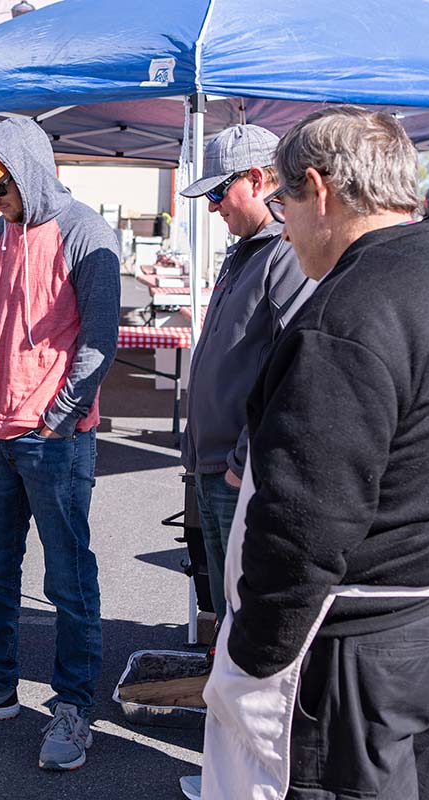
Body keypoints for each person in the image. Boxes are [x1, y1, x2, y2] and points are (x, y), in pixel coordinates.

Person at [202, 106, 429, 800]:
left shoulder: (344, 317)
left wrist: (249, 659)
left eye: (283, 202)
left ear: (318, 190)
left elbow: (303, 524)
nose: (283, 226)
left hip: (352, 651)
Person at [0, 118, 120, 772]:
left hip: (53, 440)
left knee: (68, 580)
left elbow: (99, 340)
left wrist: (59, 417)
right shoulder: (4, 231)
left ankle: (73, 704)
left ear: (28, 171)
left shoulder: (84, 231)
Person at [177, 124, 307, 627]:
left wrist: (241, 460)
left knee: (249, 612)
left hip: (239, 474)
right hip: (216, 466)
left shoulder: (286, 253)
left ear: (255, 179)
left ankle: (240, 704)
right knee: (227, 606)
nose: (213, 206)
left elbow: (292, 373)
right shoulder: (248, 248)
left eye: (217, 191)